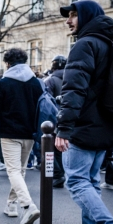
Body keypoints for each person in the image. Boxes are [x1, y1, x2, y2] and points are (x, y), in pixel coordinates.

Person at [56, 0, 113, 224]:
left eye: (73, 15)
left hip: (84, 126)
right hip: (106, 126)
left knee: (76, 181)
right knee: (91, 182)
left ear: (86, 17)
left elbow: (73, 90)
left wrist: (63, 128)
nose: (68, 20)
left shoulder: (85, 44)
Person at [0, 48, 43, 224]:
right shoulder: (36, 83)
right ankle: (11, 205)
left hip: (9, 134)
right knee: (20, 170)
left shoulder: (4, 83)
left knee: (14, 171)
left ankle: (28, 205)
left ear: (7, 64)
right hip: (30, 133)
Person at [45, 55, 67, 188]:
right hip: (67, 116)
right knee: (60, 147)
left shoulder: (50, 80)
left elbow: (46, 101)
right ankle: (60, 173)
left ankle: (58, 174)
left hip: (53, 117)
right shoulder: (72, 78)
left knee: (49, 147)